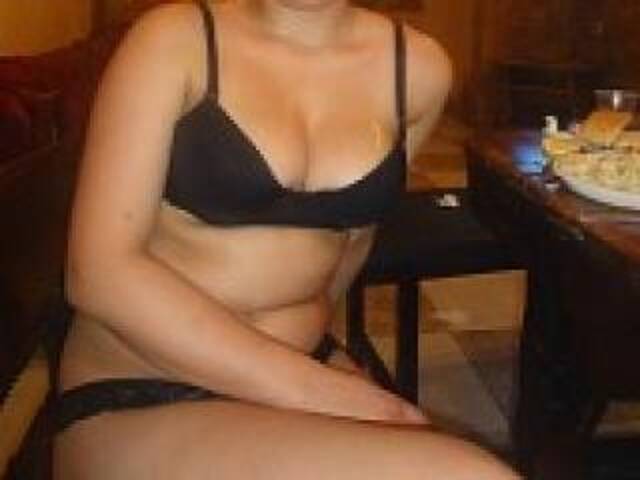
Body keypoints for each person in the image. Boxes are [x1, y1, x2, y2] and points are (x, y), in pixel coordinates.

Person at [54, 0, 521, 478]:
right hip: (142, 389)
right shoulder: (176, 40)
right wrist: (326, 393)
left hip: (298, 368)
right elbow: (98, 274)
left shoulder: (418, 70)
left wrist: (312, 361)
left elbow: (350, 245)